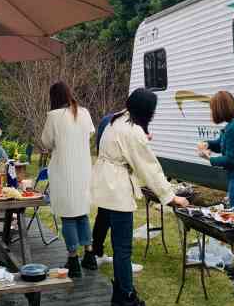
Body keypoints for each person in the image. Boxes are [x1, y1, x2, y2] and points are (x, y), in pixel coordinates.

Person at [92, 89, 189, 306]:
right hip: (115, 188)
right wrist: (171, 197)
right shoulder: (132, 130)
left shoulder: (116, 119)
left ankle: (120, 291)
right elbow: (150, 168)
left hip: (106, 183)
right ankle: (126, 297)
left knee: (118, 244)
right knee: (123, 247)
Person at [196, 91, 234, 278]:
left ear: (220, 108)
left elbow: (231, 158)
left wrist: (209, 158)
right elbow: (222, 144)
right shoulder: (233, 125)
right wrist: (208, 144)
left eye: (213, 109)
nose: (212, 112)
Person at [40, 81, 96, 278]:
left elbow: (46, 142)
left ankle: (73, 260)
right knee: (81, 212)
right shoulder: (84, 112)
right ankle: (89, 255)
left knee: (68, 215)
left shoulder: (53, 116)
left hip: (63, 170)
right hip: (83, 169)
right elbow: (90, 133)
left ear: (53, 97)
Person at [92, 110, 144, 274]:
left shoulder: (109, 121)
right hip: (115, 179)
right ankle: (119, 262)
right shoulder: (122, 125)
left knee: (103, 216)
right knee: (117, 221)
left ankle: (97, 252)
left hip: (104, 176)